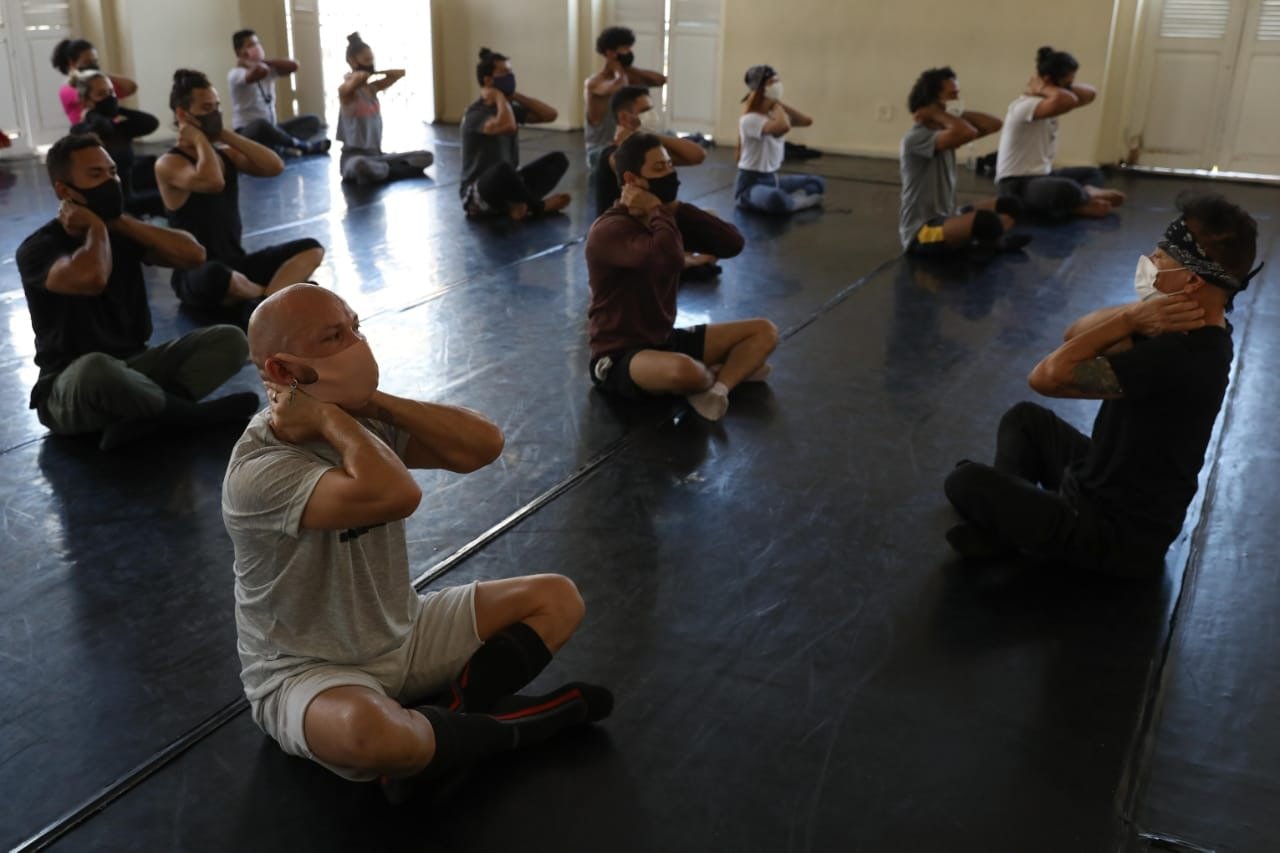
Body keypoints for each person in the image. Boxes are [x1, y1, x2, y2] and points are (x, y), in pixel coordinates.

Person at [225, 283, 612, 802]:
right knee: (370, 736)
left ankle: (447, 726)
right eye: (335, 336)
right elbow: (397, 494)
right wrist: (325, 416)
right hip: (307, 671)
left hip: (405, 631)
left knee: (558, 599)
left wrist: (370, 402)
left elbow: (482, 445)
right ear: (281, 369)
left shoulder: (360, 421)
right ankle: (517, 727)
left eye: (356, 327)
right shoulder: (258, 470)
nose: (357, 343)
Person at [944, 192, 1262, 577]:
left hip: (1114, 537)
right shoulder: (1193, 328)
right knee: (1024, 421)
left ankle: (1006, 526)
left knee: (964, 480)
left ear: (1192, 280)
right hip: (1097, 480)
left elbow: (1046, 376)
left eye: (1163, 255)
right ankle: (1007, 527)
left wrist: (1128, 322)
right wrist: (1136, 314)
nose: (1151, 259)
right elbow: (1074, 334)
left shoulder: (1180, 356)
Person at [15, 133, 257, 451]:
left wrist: (119, 223)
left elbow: (194, 255)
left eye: (112, 172)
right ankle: (187, 415)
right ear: (64, 190)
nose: (111, 181)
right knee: (97, 367)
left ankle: (146, 416)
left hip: (136, 366)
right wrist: (97, 228)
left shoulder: (122, 231)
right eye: (96, 175)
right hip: (71, 387)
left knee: (231, 339)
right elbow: (92, 278)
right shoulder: (38, 248)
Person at [586, 132, 776, 422]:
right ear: (632, 180)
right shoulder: (610, 229)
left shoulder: (665, 217)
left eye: (670, 166)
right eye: (659, 169)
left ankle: (718, 390)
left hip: (665, 340)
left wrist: (678, 209)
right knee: (683, 371)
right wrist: (657, 210)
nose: (670, 175)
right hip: (620, 355)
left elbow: (732, 243)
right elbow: (669, 259)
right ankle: (720, 372)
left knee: (764, 331)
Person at [156, 69, 325, 325]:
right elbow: (213, 182)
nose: (214, 113)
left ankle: (261, 302)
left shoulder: (225, 154)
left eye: (217, 106)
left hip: (237, 263)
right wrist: (199, 138)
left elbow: (274, 166)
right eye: (207, 108)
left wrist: (224, 134)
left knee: (311, 248)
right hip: (196, 274)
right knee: (218, 275)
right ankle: (273, 298)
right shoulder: (169, 163)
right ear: (182, 114)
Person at [591, 86, 718, 280]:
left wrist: (649, 136)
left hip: (653, 226)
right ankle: (682, 262)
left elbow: (698, 155)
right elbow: (622, 162)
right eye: (644, 110)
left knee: (711, 219)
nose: (651, 114)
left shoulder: (650, 150)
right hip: (626, 238)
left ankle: (681, 261)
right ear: (624, 117)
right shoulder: (611, 154)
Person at [899, 66, 1028, 255]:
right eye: (953, 95)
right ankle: (990, 243)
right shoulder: (916, 138)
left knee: (1010, 206)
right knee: (987, 222)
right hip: (922, 231)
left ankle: (979, 240)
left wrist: (951, 112)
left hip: (948, 215)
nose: (957, 99)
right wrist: (936, 113)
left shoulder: (945, 131)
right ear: (934, 101)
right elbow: (967, 132)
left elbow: (994, 124)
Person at [995, 46, 1126, 220]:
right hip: (1016, 184)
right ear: (1049, 80)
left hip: (1044, 175)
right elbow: (1067, 100)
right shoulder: (1024, 106)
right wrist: (1043, 87)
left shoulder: (1052, 100)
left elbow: (1090, 94)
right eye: (1067, 84)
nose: (1070, 88)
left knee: (1092, 173)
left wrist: (1045, 87)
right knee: (1065, 188)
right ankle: (1084, 199)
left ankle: (1081, 200)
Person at [459, 48, 570, 220]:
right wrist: (498, 96)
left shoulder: (507, 108)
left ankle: (518, 206)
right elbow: (508, 126)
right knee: (502, 169)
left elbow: (550, 115)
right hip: (480, 192)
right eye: (504, 73)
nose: (510, 77)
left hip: (510, 183)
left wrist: (514, 95)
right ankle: (538, 207)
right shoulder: (475, 114)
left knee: (558, 160)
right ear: (488, 80)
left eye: (510, 72)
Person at [336, 32, 433, 185]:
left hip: (377, 155)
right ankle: (391, 170)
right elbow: (352, 84)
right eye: (366, 60)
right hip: (354, 158)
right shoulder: (345, 92)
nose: (370, 63)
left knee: (426, 156)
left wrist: (375, 72)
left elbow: (399, 73)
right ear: (352, 62)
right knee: (361, 165)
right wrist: (357, 75)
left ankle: (385, 170)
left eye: (372, 59)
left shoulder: (372, 88)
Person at [70, 70, 163, 217]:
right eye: (101, 94)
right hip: (105, 207)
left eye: (111, 92)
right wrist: (91, 114)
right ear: (86, 101)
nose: (110, 98)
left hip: (129, 198)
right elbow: (102, 128)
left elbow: (151, 122)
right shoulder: (80, 131)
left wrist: (118, 109)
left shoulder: (120, 128)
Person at [735, 65, 825, 214]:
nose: (777, 85)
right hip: (750, 185)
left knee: (817, 182)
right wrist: (776, 104)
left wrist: (777, 104)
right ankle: (796, 202)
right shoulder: (749, 119)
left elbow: (806, 121)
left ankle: (790, 201)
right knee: (775, 199)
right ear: (761, 89)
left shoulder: (774, 115)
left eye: (778, 80)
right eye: (772, 82)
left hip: (772, 179)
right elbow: (783, 127)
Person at [228, 29, 328, 156]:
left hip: (272, 128)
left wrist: (263, 61)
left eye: (257, 43)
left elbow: (294, 65)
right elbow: (258, 73)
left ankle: (281, 145)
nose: (257, 47)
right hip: (248, 132)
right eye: (251, 45)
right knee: (261, 125)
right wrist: (251, 64)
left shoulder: (266, 67)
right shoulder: (235, 74)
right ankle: (303, 146)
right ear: (240, 52)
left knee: (313, 121)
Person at [583, 26, 668, 170]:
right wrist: (618, 68)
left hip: (625, 145)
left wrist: (628, 67)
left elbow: (660, 80)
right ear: (610, 53)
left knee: (666, 146)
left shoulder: (627, 75)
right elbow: (618, 86)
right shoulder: (594, 82)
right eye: (625, 48)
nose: (629, 52)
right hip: (600, 150)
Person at [51, 38, 137, 126]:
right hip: (88, 133)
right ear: (72, 63)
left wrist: (101, 74)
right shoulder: (67, 88)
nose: (92, 66)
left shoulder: (98, 83)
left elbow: (130, 87)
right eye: (87, 62)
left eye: (95, 62)